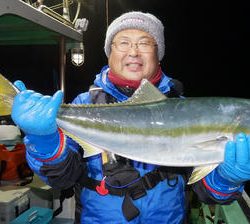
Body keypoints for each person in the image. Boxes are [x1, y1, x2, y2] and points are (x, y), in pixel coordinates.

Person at [11, 11, 250, 224]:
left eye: (145, 43)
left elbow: (207, 194)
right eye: (123, 43)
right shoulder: (85, 104)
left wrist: (228, 178)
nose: (133, 51)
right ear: (109, 53)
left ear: (158, 54)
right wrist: (44, 142)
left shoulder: (182, 109)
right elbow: (62, 180)